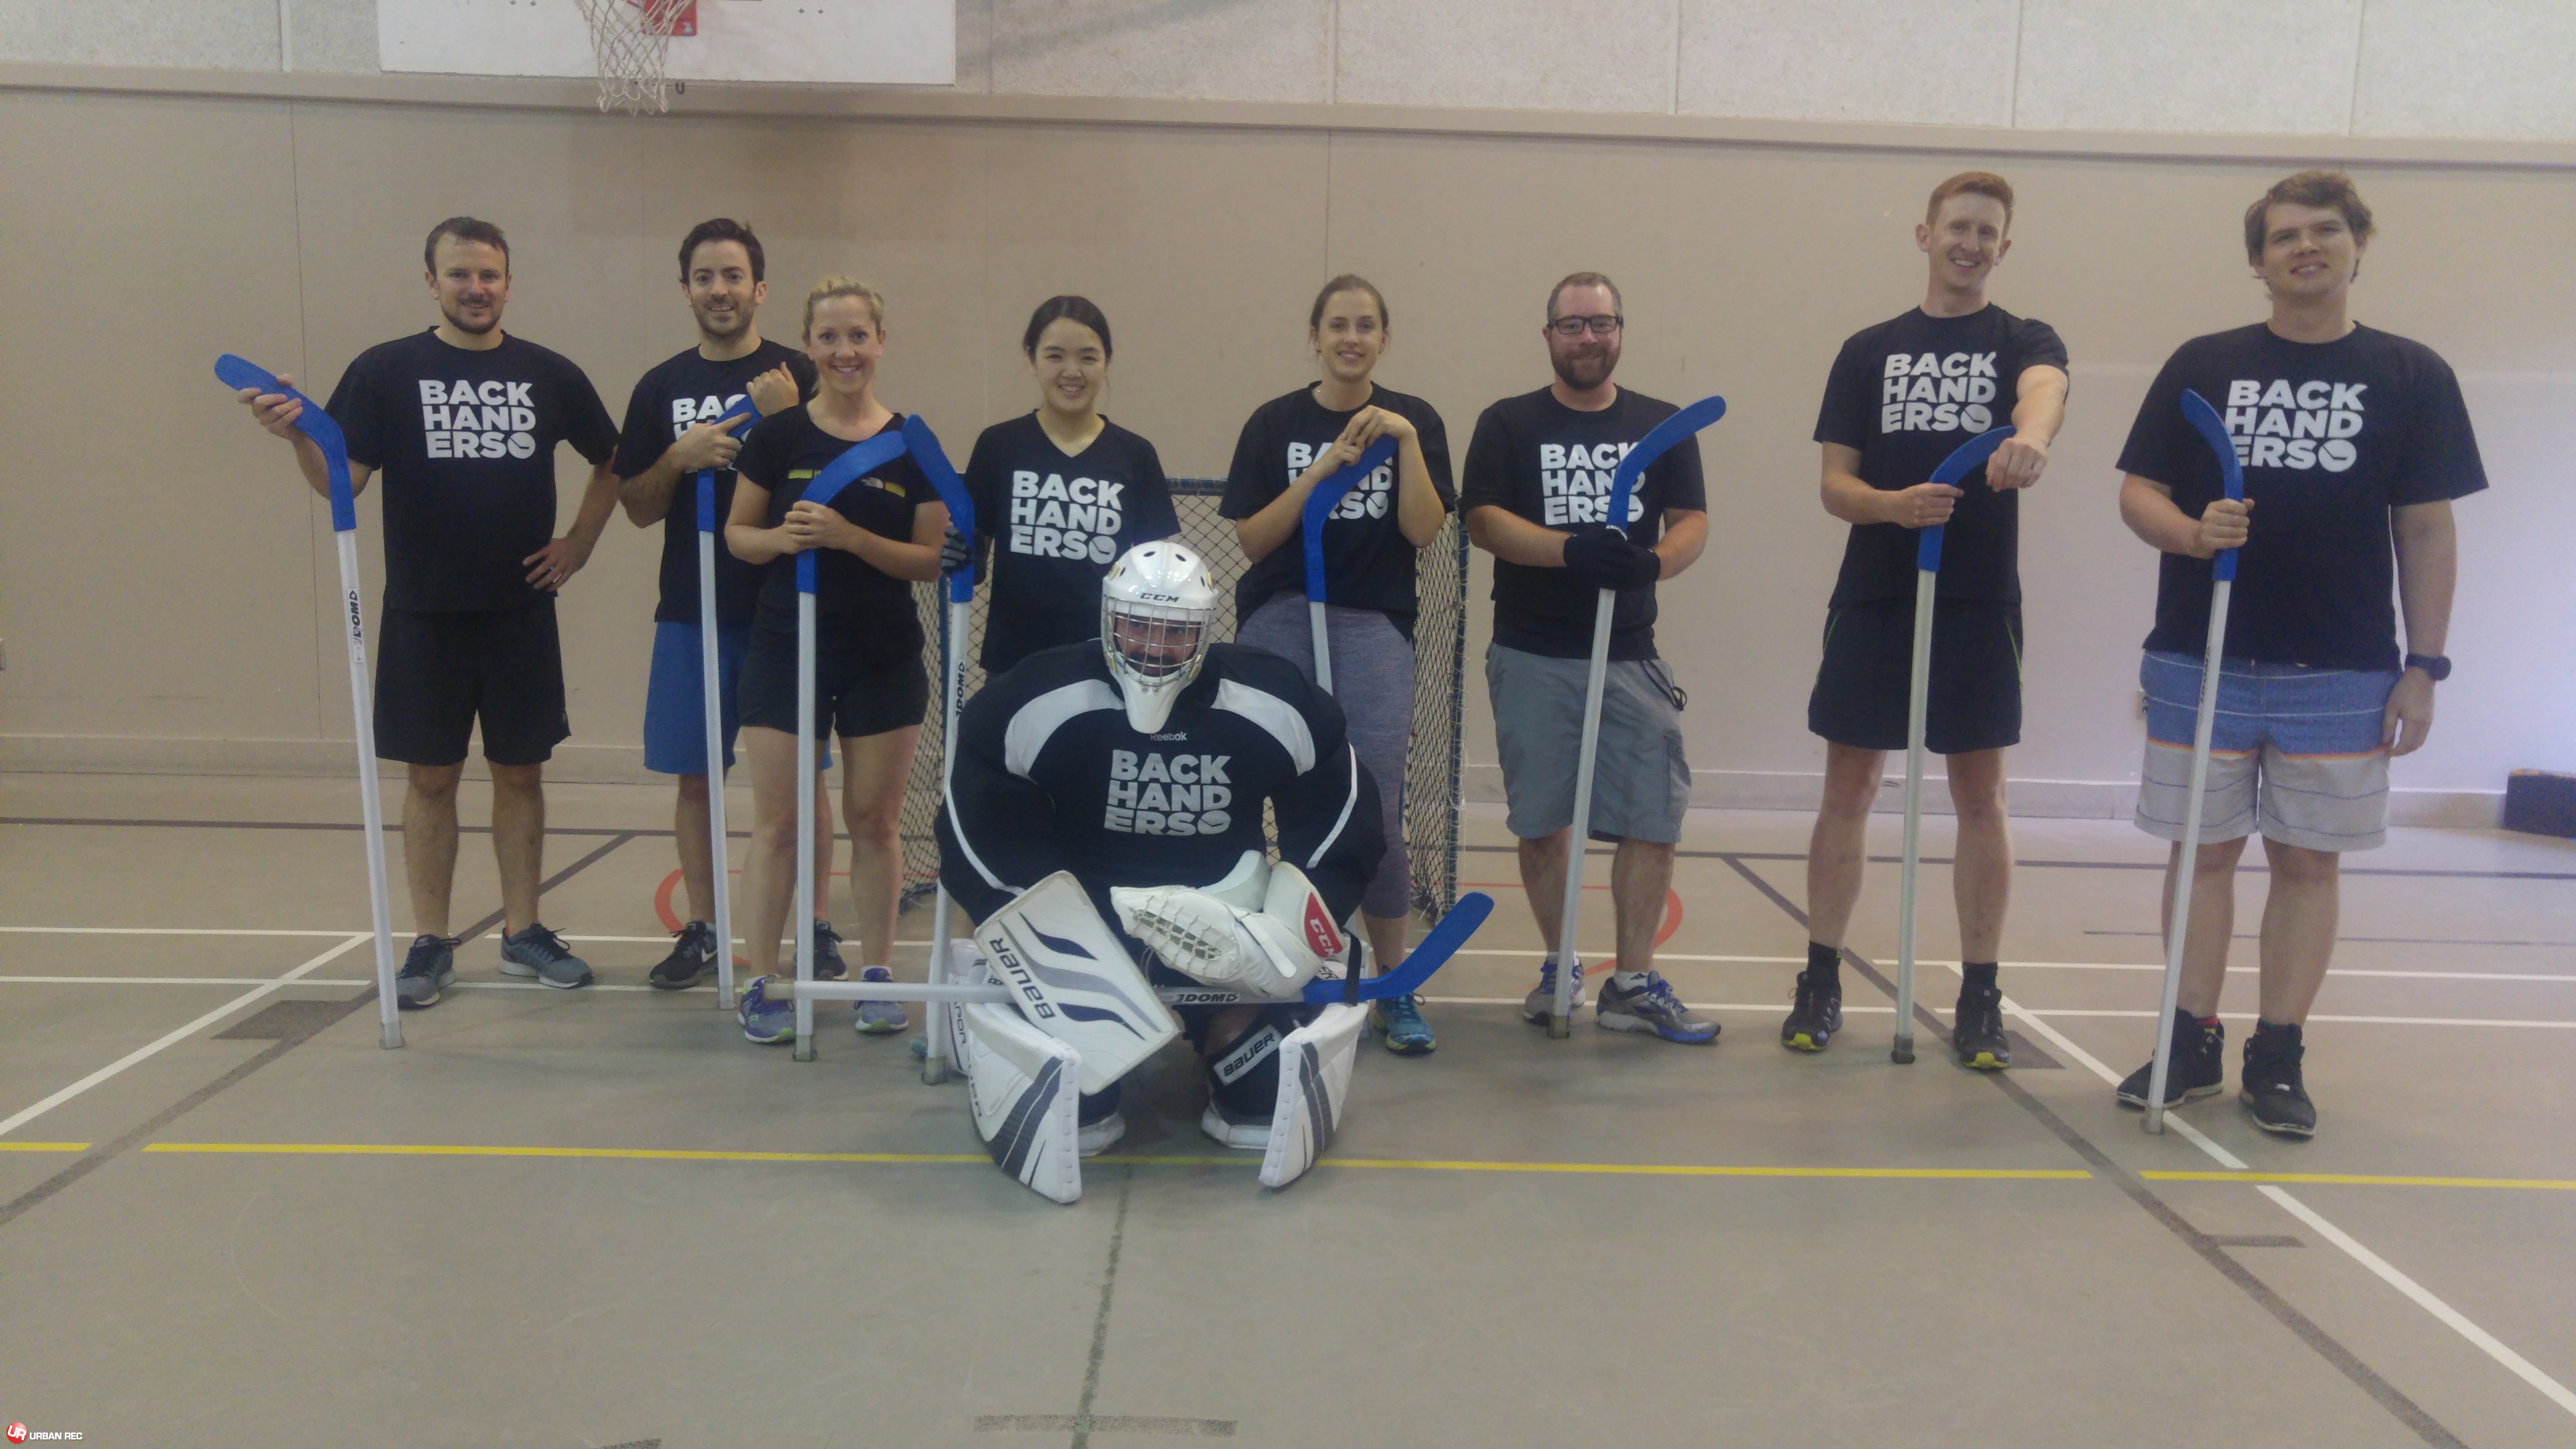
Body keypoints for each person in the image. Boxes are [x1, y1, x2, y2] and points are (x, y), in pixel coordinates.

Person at [2111, 171, 2481, 1137]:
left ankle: (2276, 1054)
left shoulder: (2411, 375)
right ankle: (2187, 1040)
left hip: (2345, 670)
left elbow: (2428, 532)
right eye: (2284, 236)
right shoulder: (2203, 363)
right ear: (2257, 260)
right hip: (2202, 660)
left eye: (2325, 230)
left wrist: (2424, 667)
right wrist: (2191, 534)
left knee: (2307, 866)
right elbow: (2137, 494)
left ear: (2359, 244)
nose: (2305, 247)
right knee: (2200, 856)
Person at [237, 216, 618, 1007]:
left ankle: (523, 933)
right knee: (431, 777)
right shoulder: (385, 370)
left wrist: (579, 542)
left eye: (489, 275)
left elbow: (613, 461)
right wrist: (294, 439)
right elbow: (342, 477)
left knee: (521, 771)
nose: (475, 288)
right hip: (423, 610)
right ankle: (430, 942)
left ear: (509, 282)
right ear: (431, 282)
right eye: (459, 275)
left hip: (519, 611)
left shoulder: (549, 374)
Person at [938, 540, 1384, 1157]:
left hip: (1223, 936)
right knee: (1077, 1105)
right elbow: (977, 825)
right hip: (1087, 933)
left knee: (1262, 1098)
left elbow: (1341, 824)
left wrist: (1282, 937)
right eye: (1136, 625)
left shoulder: (1277, 699)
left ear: (1204, 632)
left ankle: (1227, 1034)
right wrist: (1039, 934)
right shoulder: (1034, 696)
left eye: (1174, 633)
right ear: (1107, 619)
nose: (1153, 647)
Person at [1787, 172, 2069, 1066]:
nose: (1970, 242)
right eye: (1957, 226)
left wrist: (2031, 437)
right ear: (1925, 234)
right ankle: (1819, 978)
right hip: (1876, 591)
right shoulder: (1868, 350)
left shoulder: (2020, 337)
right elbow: (1835, 486)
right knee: (1850, 789)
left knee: (1980, 795)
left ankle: (1980, 993)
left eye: (1987, 232)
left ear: (2003, 246)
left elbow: (2043, 390)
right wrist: (1892, 507)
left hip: (1976, 598)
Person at [1460, 272, 1715, 1045]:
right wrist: (1572, 551)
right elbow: (1485, 522)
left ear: (1620, 333)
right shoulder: (1508, 423)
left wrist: (1653, 563)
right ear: (1549, 337)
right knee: (1542, 824)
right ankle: (1560, 963)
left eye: (1601, 325)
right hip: (1534, 653)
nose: (1587, 339)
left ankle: (1632, 983)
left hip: (1631, 657)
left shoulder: (1661, 425)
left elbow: (1692, 520)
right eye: (1572, 326)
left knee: (1651, 819)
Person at [1222, 274, 1454, 1055]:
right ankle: (1265, 972)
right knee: (1263, 793)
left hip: (1373, 627)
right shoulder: (1274, 422)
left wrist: (1408, 445)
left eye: (1366, 326)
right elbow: (1252, 541)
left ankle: (1394, 981)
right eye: (1337, 325)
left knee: (1374, 806)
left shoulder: (1413, 420)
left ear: (1384, 338)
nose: (1351, 338)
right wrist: (1319, 472)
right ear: (1314, 335)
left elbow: (1424, 531)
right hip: (1281, 618)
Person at [610, 218, 841, 992]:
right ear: (686, 291)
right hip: (692, 611)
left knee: (802, 779)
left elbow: (840, 468)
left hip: (784, 609)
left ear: (760, 289)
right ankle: (705, 928)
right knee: (696, 777)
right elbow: (637, 506)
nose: (720, 290)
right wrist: (677, 458)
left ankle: (814, 925)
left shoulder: (802, 374)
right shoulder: (660, 387)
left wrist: (778, 422)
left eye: (734, 276)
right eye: (705, 277)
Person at [724, 277, 948, 1045]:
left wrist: (851, 540)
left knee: (874, 821)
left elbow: (929, 560)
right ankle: (761, 979)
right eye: (829, 337)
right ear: (809, 345)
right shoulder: (779, 436)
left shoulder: (913, 444)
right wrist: (785, 540)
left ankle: (879, 975)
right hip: (788, 646)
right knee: (780, 824)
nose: (845, 351)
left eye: (858, 336)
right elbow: (738, 537)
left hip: (881, 654)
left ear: (880, 343)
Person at [960, 296, 1179, 676]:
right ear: (1032, 359)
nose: (1072, 371)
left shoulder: (1135, 454)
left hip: (1106, 661)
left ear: (1107, 361)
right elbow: (974, 562)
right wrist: (961, 556)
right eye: (1055, 356)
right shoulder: (999, 446)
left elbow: (1154, 574)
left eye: (1088, 357)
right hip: (1016, 659)